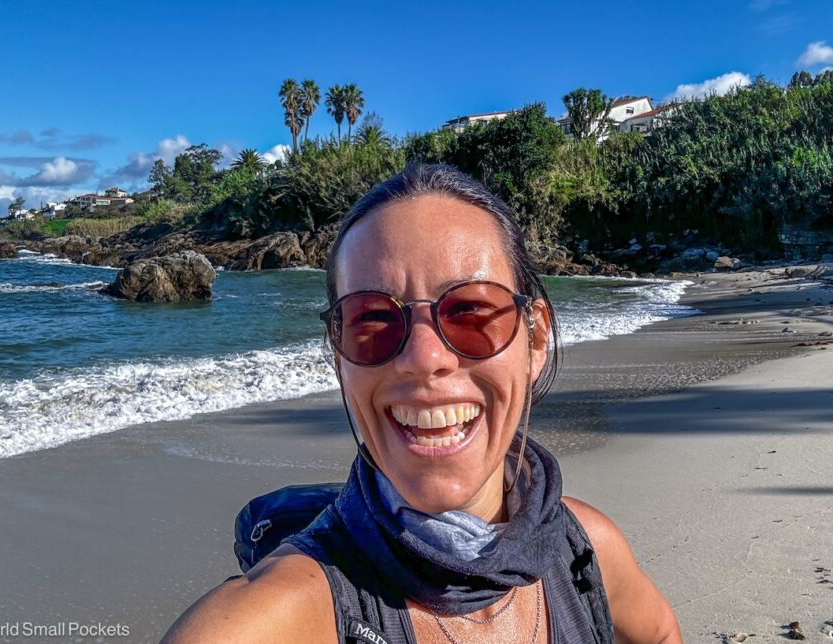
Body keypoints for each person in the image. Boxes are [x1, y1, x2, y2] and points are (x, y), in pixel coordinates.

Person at [163, 163, 682, 643]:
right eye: (372, 319)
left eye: (472, 310)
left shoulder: (585, 547)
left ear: (535, 340)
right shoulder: (273, 617)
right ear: (337, 356)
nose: (423, 357)